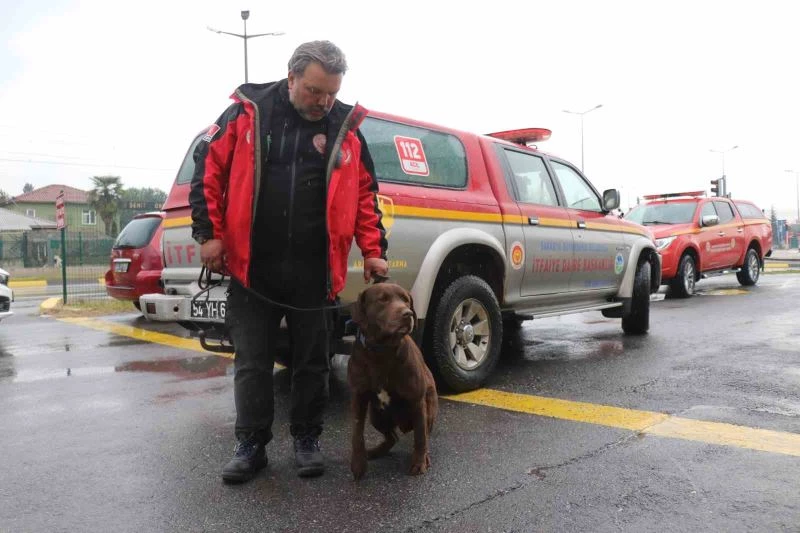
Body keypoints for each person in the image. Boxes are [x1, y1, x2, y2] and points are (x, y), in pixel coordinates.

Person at [189, 40, 389, 483]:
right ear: (292, 76)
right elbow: (208, 169)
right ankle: (251, 445)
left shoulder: (346, 128)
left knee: (312, 361)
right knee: (253, 361)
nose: (324, 101)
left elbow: (364, 194)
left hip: (315, 269)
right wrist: (210, 235)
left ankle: (306, 439)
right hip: (253, 266)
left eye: (332, 92)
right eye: (315, 90)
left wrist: (374, 251)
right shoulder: (246, 113)